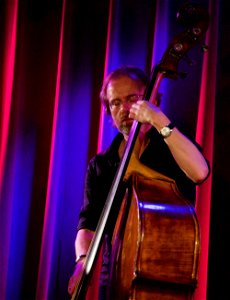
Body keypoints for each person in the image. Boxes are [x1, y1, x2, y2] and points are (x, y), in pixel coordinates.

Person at [68, 66, 210, 299]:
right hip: (113, 280)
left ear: (153, 98)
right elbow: (88, 223)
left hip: (162, 279)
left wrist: (158, 119)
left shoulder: (173, 146)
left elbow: (200, 172)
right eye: (115, 103)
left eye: (133, 98)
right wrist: (82, 261)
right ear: (109, 112)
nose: (124, 108)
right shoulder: (101, 165)